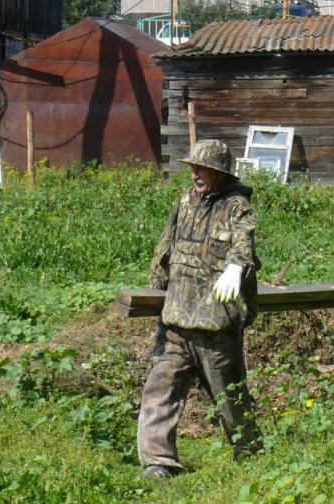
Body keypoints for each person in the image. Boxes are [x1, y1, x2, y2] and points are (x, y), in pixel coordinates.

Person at [137, 139, 262, 480]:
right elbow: (166, 248)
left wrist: (235, 269)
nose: (194, 173)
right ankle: (158, 462)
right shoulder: (184, 202)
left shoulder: (237, 206)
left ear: (220, 173)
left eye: (201, 167)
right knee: (159, 392)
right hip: (176, 321)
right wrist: (155, 288)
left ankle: (251, 455)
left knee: (230, 400)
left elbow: (243, 244)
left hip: (215, 328)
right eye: (192, 167)